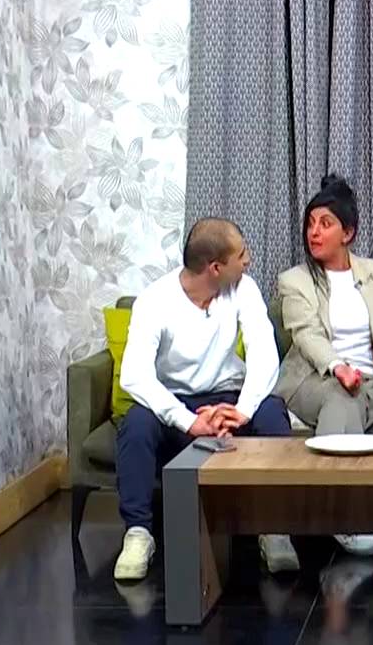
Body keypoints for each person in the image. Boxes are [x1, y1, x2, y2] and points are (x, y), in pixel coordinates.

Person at [114, 217, 298, 583]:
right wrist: (187, 420)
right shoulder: (155, 301)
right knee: (136, 425)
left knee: (272, 413)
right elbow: (135, 374)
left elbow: (264, 354)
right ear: (215, 267)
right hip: (175, 403)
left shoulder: (243, 289)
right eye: (241, 255)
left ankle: (274, 527)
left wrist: (243, 410)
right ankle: (138, 533)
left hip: (229, 398)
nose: (248, 261)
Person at [275, 174, 373, 557]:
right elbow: (307, 336)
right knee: (344, 396)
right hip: (316, 380)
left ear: (348, 233)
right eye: (310, 223)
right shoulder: (294, 281)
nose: (314, 232)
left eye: (325, 224)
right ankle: (342, 515)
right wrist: (339, 367)